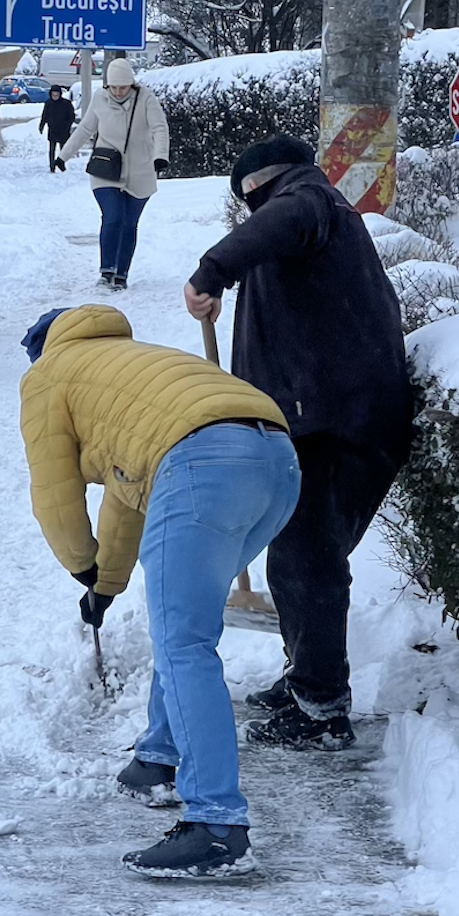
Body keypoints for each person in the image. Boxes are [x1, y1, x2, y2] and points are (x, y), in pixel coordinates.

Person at [19, 304, 302, 879]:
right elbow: (127, 494)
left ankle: (216, 822)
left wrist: (79, 565)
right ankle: (158, 755)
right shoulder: (130, 364)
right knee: (184, 624)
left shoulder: (48, 373)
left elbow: (55, 489)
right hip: (277, 460)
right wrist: (105, 582)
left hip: (201, 463)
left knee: (184, 641)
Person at [184, 135, 414, 751]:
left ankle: (321, 709)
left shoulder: (308, 202)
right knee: (293, 551)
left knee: (308, 556)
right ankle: (303, 679)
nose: (249, 216)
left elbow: (279, 224)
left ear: (261, 186)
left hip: (340, 420)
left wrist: (213, 271)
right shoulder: (306, 217)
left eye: (247, 203)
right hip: (316, 417)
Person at [55, 58, 169, 291]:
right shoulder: (100, 98)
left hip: (140, 170)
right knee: (113, 216)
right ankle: (106, 271)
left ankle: (121, 274)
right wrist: (63, 155)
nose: (118, 92)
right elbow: (86, 128)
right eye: (113, 87)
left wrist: (160, 156)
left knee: (129, 224)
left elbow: (159, 127)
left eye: (123, 87)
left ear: (132, 84)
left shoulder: (146, 98)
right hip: (106, 170)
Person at [38, 84, 74, 173]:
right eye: (53, 95)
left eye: (56, 95)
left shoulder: (66, 104)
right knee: (52, 149)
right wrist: (41, 125)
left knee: (63, 149)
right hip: (52, 129)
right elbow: (45, 115)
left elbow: (71, 116)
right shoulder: (48, 103)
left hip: (63, 130)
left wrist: (67, 125)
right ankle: (52, 166)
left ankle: (62, 164)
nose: (55, 97)